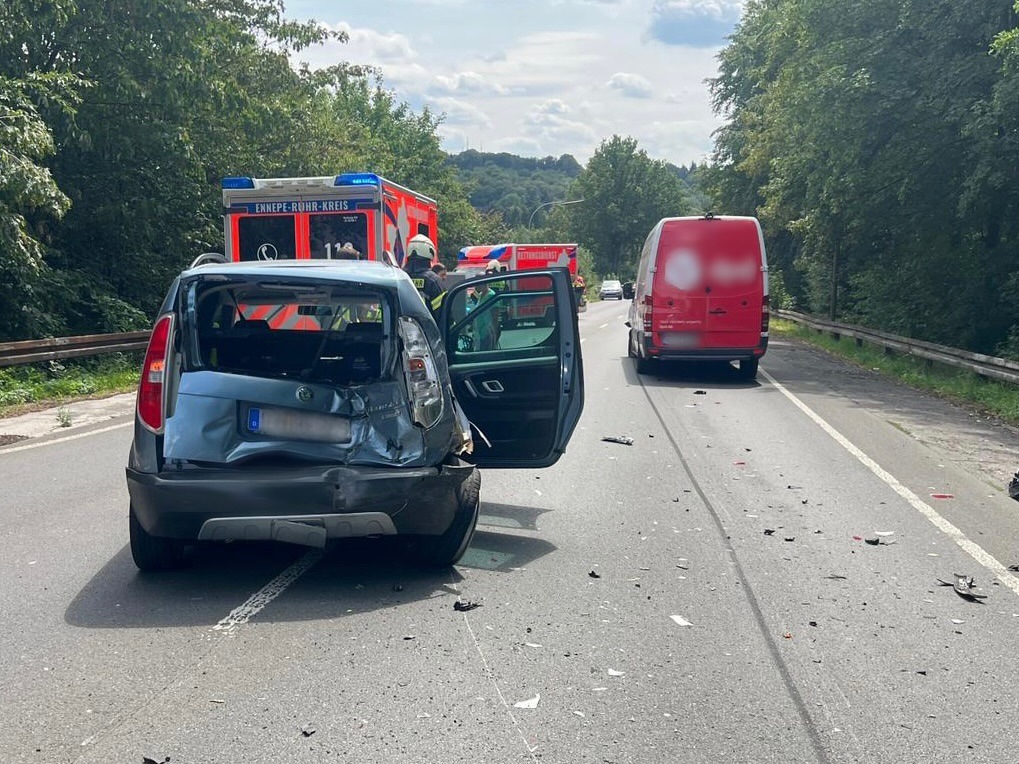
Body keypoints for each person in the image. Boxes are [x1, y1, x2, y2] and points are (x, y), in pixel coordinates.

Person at [405, 234, 446, 311]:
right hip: (425, 323)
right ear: (431, 252)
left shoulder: (399, 277)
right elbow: (444, 314)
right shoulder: (433, 280)